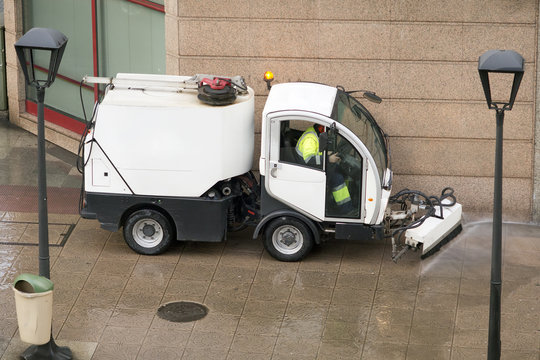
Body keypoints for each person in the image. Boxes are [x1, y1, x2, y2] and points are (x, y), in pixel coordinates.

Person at [295, 124, 354, 215]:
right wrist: (328, 159)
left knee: (338, 169)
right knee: (337, 178)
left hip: (312, 168)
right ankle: (346, 211)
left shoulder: (315, 134)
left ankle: (337, 202)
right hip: (309, 171)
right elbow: (309, 159)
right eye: (327, 130)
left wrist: (327, 154)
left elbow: (315, 153)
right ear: (321, 128)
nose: (327, 133)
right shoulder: (310, 139)